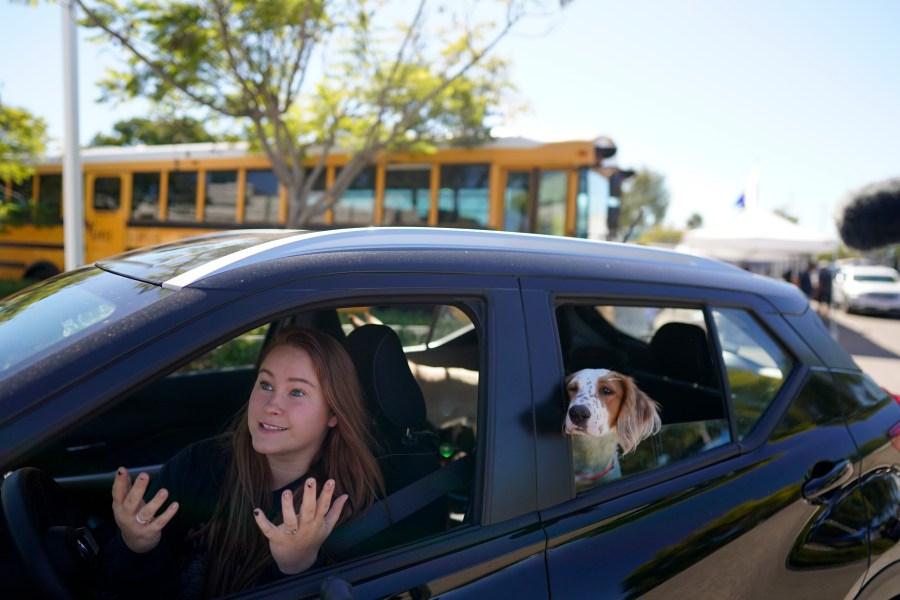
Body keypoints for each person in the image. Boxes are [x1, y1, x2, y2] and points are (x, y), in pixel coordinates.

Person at [98, 327, 384, 599]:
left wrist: (298, 567)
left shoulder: (351, 506)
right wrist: (136, 544)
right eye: (265, 384)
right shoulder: (200, 464)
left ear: (334, 413)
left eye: (297, 392)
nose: (270, 405)